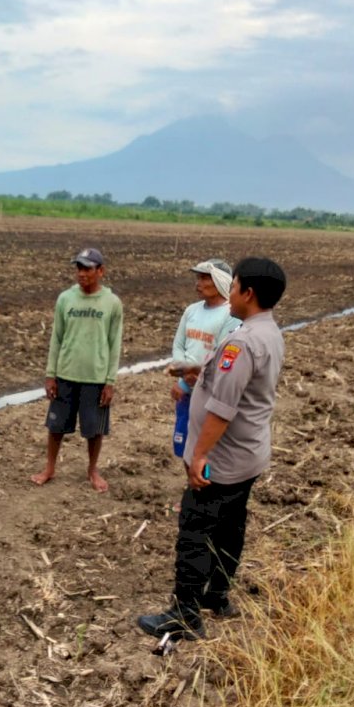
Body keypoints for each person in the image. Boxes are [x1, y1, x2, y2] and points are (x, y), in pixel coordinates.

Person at [137, 256, 287, 640]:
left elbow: (222, 408)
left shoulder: (242, 342)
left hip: (221, 460)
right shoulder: (269, 331)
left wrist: (199, 455)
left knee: (195, 530)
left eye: (233, 285)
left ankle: (185, 613)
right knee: (230, 526)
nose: (229, 291)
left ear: (248, 293)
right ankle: (217, 595)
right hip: (248, 455)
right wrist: (198, 373)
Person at [31, 247, 123, 493]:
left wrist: (110, 381)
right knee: (56, 426)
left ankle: (93, 469)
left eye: (87, 269)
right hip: (66, 374)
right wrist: (51, 374)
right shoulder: (65, 299)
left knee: (94, 430)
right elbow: (56, 338)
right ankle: (49, 468)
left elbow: (115, 344)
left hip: (95, 377)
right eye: (79, 268)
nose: (82, 274)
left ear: (100, 271)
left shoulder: (112, 303)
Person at [169, 259, 240, 458]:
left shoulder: (230, 314)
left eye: (204, 278)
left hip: (211, 392)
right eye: (197, 278)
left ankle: (202, 484)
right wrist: (184, 379)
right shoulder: (191, 311)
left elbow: (222, 354)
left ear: (220, 282)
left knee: (206, 448)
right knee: (183, 444)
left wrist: (192, 378)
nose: (198, 283)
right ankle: (191, 483)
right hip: (186, 390)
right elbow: (178, 345)